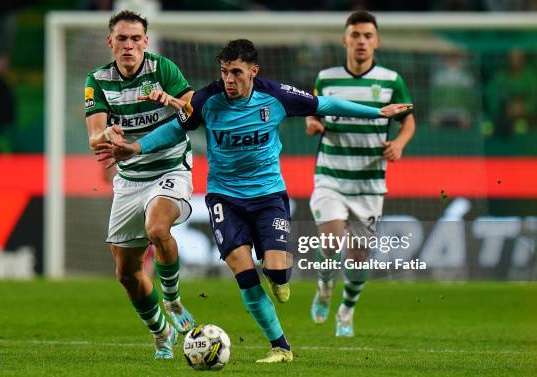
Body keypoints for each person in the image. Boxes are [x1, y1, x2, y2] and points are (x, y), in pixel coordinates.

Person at [96, 39, 411, 363]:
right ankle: (281, 347)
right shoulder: (207, 100)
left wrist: (377, 112)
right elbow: (175, 130)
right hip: (225, 198)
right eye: (224, 72)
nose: (229, 80)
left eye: (236, 73)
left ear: (253, 72)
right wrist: (136, 148)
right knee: (243, 271)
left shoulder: (275, 96)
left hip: (268, 196)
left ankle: (278, 278)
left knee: (277, 271)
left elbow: (326, 105)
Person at [84, 10, 196, 360]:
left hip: (170, 169)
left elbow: (193, 113)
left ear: (145, 42)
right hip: (130, 180)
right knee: (126, 273)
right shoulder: (97, 79)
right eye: (122, 38)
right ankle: (162, 333)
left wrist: (173, 101)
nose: (129, 45)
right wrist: (108, 134)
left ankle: (174, 300)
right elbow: (94, 137)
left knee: (157, 227)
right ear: (110, 42)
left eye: (135, 38)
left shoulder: (163, 69)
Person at [304, 11, 415, 337]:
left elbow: (408, 119)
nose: (362, 41)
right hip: (331, 176)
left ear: (376, 41)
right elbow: (313, 113)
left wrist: (400, 143)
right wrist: (311, 123)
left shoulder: (391, 80)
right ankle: (324, 288)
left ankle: (346, 309)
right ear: (345, 40)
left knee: (358, 254)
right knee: (330, 239)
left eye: (368, 36)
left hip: (369, 183)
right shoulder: (326, 78)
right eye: (356, 35)